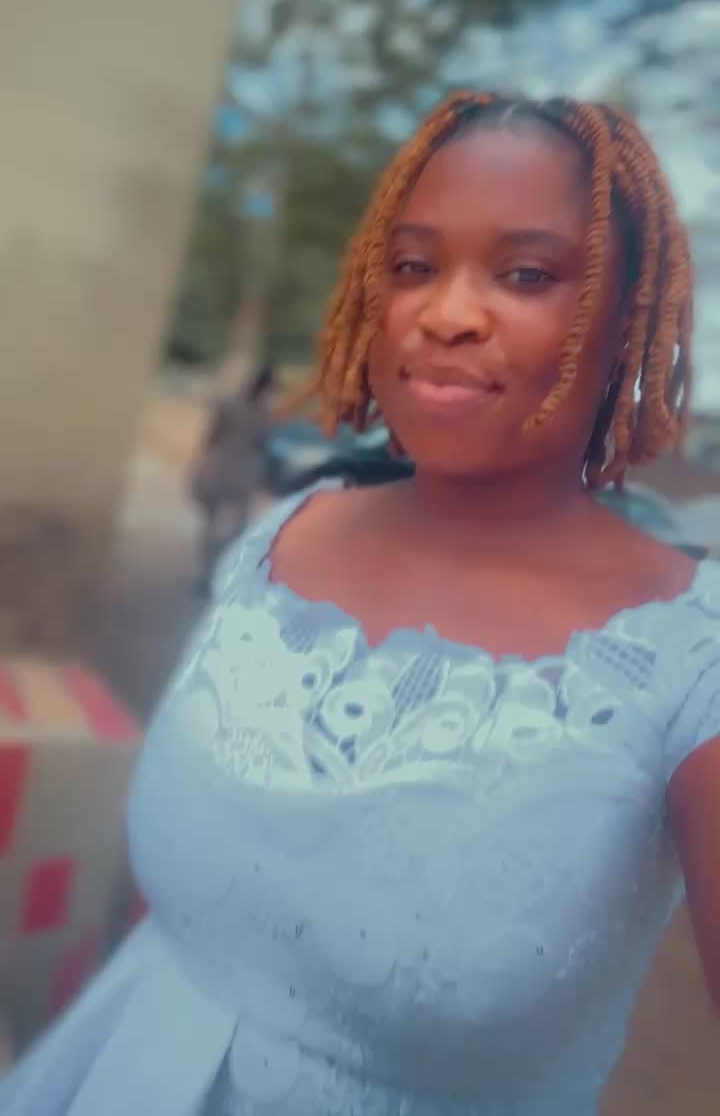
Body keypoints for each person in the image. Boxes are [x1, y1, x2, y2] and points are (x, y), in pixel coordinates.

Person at [2, 91, 719, 1116]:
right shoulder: (285, 536)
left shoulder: (689, 655)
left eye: (526, 273)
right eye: (414, 266)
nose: (446, 312)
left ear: (629, 316)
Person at [190, 364, 275, 594]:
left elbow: (212, 437)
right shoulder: (263, 415)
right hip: (241, 473)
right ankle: (216, 574)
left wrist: (201, 465)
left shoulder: (232, 406)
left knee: (214, 526)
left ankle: (208, 574)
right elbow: (263, 445)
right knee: (234, 528)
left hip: (223, 468)